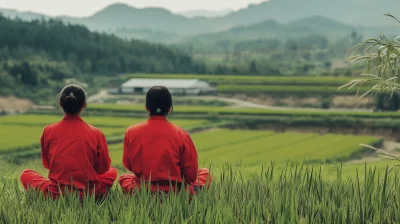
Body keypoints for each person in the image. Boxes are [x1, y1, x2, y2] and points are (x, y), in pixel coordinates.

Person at [20, 84, 117, 199]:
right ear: (84, 105)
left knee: (25, 175)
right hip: (89, 194)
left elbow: (47, 164)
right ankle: (99, 193)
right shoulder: (96, 133)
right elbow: (103, 168)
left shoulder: (48, 131)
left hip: (56, 194)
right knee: (112, 171)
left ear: (61, 104)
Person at [119, 86, 212, 195]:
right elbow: (191, 175)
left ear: (146, 108)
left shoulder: (131, 132)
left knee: (124, 178)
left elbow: (128, 164)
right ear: (169, 108)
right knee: (205, 173)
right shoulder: (181, 134)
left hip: (141, 191)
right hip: (176, 193)